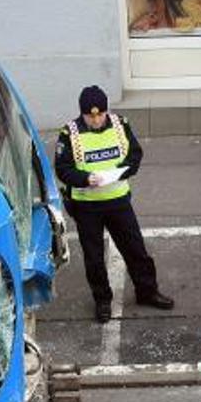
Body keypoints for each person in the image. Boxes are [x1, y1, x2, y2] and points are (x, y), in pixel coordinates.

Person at [55, 84, 173, 323]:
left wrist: (120, 172)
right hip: (87, 206)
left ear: (107, 110)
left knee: (136, 250)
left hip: (118, 201)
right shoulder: (70, 133)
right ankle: (102, 300)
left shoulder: (121, 125)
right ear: (83, 113)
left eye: (100, 114)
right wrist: (85, 179)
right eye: (91, 115)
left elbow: (135, 155)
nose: (97, 119)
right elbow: (63, 168)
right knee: (94, 258)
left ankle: (147, 291)